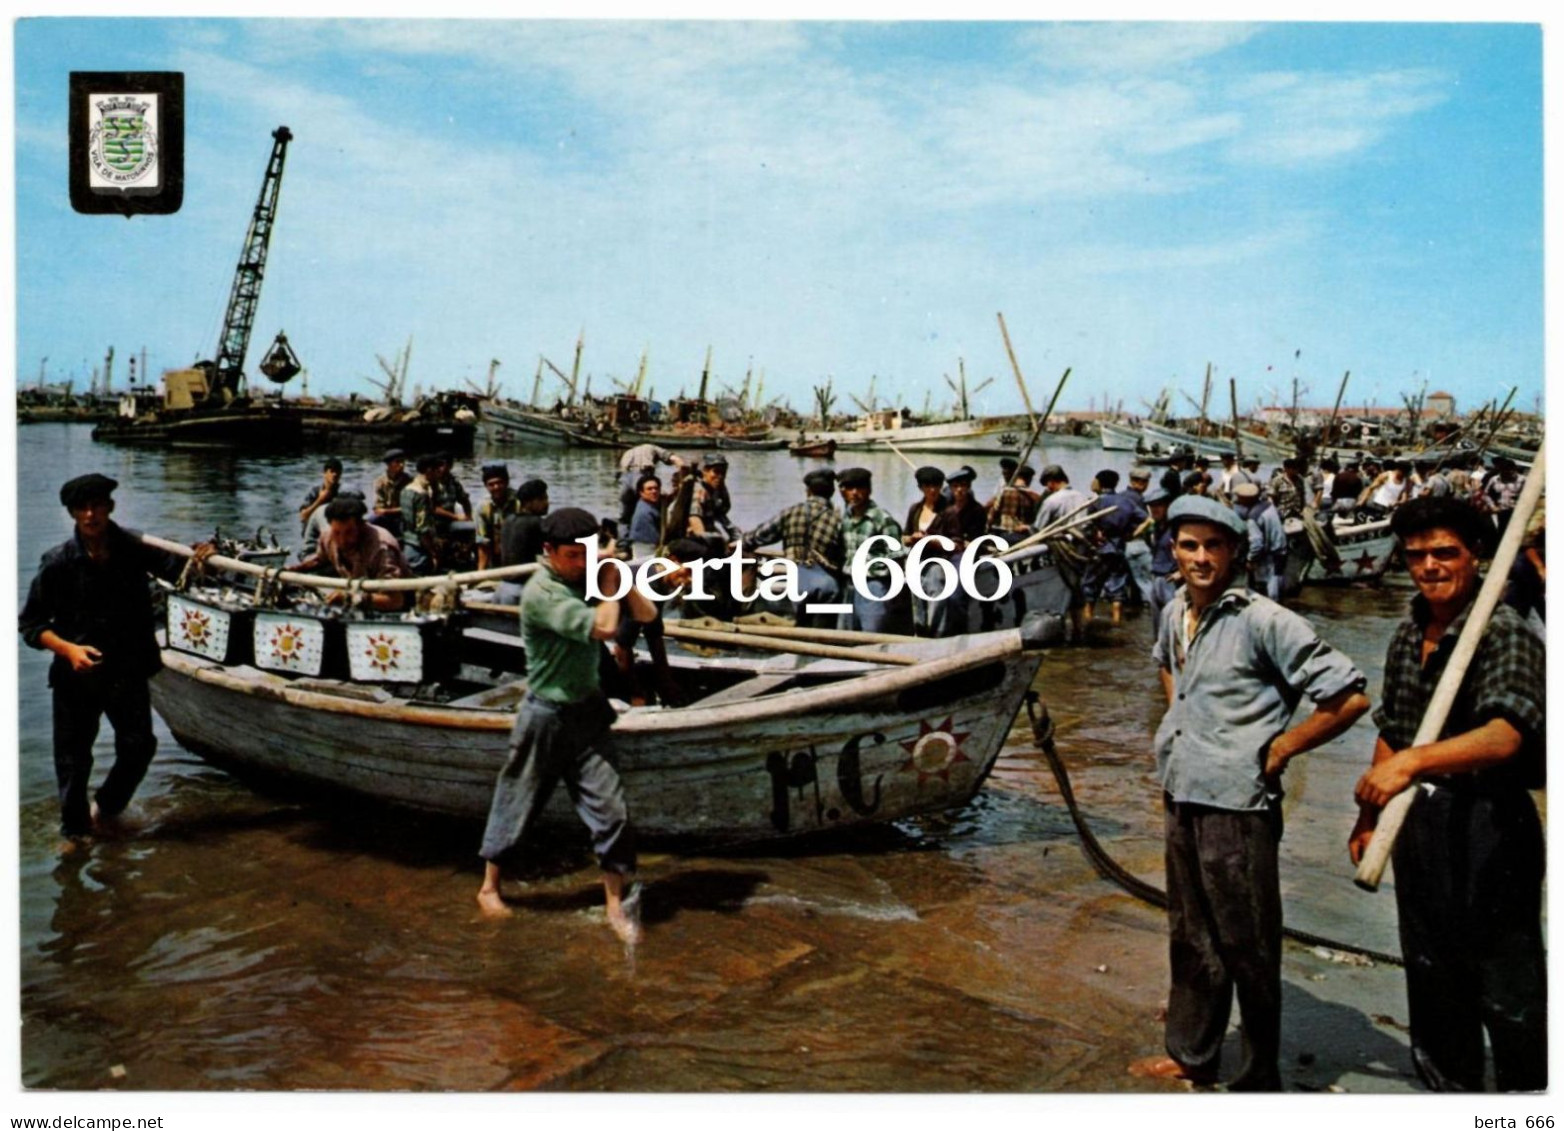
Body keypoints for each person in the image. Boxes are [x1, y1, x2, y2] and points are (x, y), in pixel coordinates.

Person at [1132, 493, 1369, 1091]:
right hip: (1183, 786)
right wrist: (1179, 724)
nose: (1201, 558)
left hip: (1239, 803)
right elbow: (1167, 665)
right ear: (1173, 551)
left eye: (1214, 546)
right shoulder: (1173, 611)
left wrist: (1282, 747)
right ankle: (1193, 1054)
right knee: (1190, 934)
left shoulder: (1265, 620)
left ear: (1236, 552)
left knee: (1249, 943)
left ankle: (1259, 1073)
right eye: (1189, 545)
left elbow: (1348, 697)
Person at [1349, 497, 1546, 1092]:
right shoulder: (1408, 631)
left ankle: (1529, 1102)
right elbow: (1394, 727)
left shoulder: (1504, 631)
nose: (1430, 566)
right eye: (1416, 556)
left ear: (1475, 556)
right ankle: (1448, 1096)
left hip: (1490, 823)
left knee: (1504, 983)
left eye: (1444, 553)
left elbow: (1504, 735)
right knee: (1432, 972)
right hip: (1419, 820)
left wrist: (1413, 762)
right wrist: (1367, 816)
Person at [476, 508, 656, 943]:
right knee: (517, 799)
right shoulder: (541, 593)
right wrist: (609, 582)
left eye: (585, 555)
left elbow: (647, 616)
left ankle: (614, 901)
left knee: (612, 811)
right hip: (545, 712)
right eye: (571, 556)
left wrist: (619, 576)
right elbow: (605, 628)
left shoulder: (590, 576)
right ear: (549, 552)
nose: (580, 564)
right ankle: (489, 887)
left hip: (588, 712)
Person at [19, 474, 216, 840]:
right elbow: (30, 625)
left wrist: (203, 556)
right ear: (73, 513)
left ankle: (106, 810)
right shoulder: (59, 562)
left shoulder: (134, 548)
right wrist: (68, 650)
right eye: (83, 508)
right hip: (77, 674)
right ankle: (75, 835)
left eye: (98, 506)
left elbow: (183, 572)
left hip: (126, 669)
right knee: (73, 759)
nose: (91, 514)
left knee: (140, 746)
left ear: (110, 507)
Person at [742, 468, 845, 629]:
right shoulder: (837, 519)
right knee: (824, 631)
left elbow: (759, 536)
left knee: (801, 626)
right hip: (827, 582)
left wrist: (741, 542)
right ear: (832, 492)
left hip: (798, 579)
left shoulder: (790, 512)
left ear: (808, 491)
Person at [836, 467, 910, 634]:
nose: (854, 493)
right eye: (850, 489)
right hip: (849, 585)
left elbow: (897, 558)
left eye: (859, 488)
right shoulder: (845, 518)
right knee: (845, 634)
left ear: (868, 490)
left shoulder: (883, 520)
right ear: (844, 492)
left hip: (874, 585)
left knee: (872, 632)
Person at [307, 496, 412, 610]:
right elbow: (319, 560)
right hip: (356, 592)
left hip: (395, 607)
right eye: (337, 533)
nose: (342, 540)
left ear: (361, 526)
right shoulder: (327, 537)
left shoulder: (381, 547)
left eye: (349, 532)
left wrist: (349, 598)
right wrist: (293, 569)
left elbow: (395, 601)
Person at [1081, 468, 1145, 625]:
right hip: (1119, 548)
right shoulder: (1126, 501)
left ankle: (1087, 620)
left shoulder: (1096, 502)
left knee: (1090, 585)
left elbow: (1087, 526)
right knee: (1117, 586)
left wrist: (1095, 534)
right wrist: (1132, 535)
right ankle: (1117, 621)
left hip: (1100, 549)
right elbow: (1148, 520)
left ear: (1100, 483)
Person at [496, 478, 551, 607]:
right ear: (528, 503)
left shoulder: (508, 520)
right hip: (519, 591)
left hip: (503, 587)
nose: (547, 503)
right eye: (542, 499)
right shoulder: (536, 523)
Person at [1233, 482, 1289, 601]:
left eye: (1239, 498)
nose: (1238, 500)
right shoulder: (1268, 505)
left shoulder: (1253, 517)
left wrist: (1250, 559)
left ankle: (1272, 608)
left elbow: (1257, 544)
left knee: (1270, 587)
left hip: (1271, 554)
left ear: (1245, 499)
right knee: (1278, 579)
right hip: (1282, 548)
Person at [617, 443, 686, 527]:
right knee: (656, 500)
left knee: (625, 516)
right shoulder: (652, 447)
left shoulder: (628, 452)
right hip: (640, 474)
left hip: (624, 477)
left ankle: (625, 536)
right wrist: (683, 475)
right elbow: (675, 460)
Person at [475, 463, 523, 572]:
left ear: (506, 482)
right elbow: (482, 542)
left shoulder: (519, 501)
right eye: (491, 484)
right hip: (496, 553)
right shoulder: (483, 507)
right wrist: (480, 572)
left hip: (520, 551)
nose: (496, 487)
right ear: (486, 486)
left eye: (499, 483)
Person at [298, 457, 343, 557]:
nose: (335, 475)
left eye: (338, 472)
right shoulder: (314, 492)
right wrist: (320, 500)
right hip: (314, 537)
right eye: (332, 471)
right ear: (325, 473)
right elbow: (303, 516)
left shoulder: (342, 494)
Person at [689, 454, 738, 545]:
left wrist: (736, 535)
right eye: (716, 472)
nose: (720, 476)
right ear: (705, 471)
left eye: (723, 473)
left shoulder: (715, 490)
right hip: (688, 537)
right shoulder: (698, 491)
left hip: (706, 531)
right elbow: (694, 519)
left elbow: (721, 514)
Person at [371, 448, 411, 538]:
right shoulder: (380, 482)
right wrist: (384, 511)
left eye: (403, 462)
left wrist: (387, 510)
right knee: (372, 519)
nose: (401, 465)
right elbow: (378, 508)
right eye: (397, 462)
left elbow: (408, 508)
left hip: (403, 517)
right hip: (387, 516)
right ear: (389, 465)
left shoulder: (409, 481)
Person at [627, 473, 664, 555]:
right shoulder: (645, 512)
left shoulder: (647, 504)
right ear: (641, 492)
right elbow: (655, 542)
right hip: (646, 549)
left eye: (656, 488)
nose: (654, 491)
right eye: (649, 489)